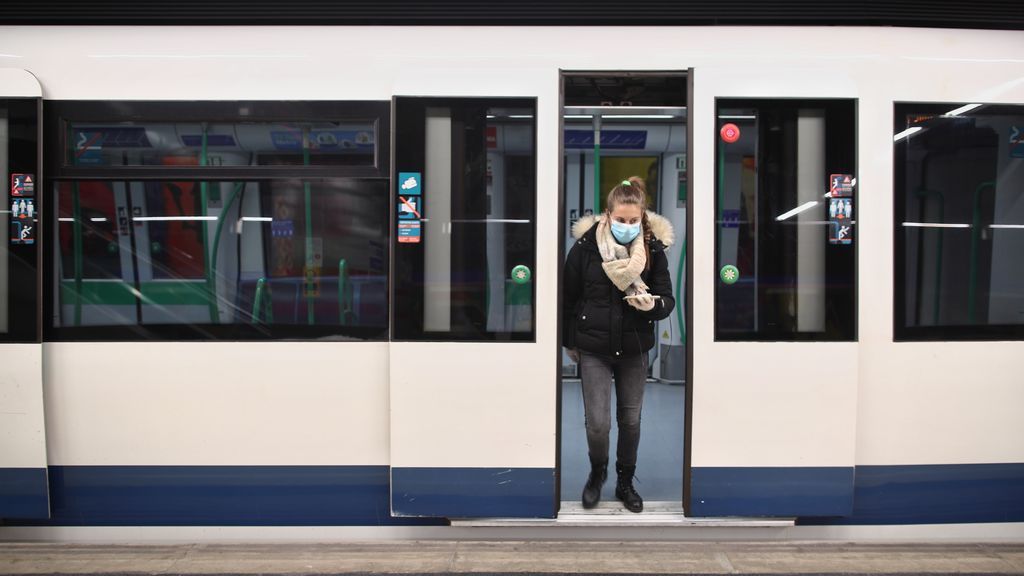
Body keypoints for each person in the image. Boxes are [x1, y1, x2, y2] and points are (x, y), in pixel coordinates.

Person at [563, 176, 675, 513]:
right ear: (607, 215)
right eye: (620, 219)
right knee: (597, 422)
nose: (627, 226)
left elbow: (667, 301)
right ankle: (597, 474)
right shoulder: (585, 248)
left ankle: (625, 481)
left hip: (635, 347)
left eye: (633, 220)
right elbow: (568, 298)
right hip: (593, 347)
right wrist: (570, 341)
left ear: (642, 217)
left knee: (630, 421)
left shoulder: (653, 252)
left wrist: (652, 306)